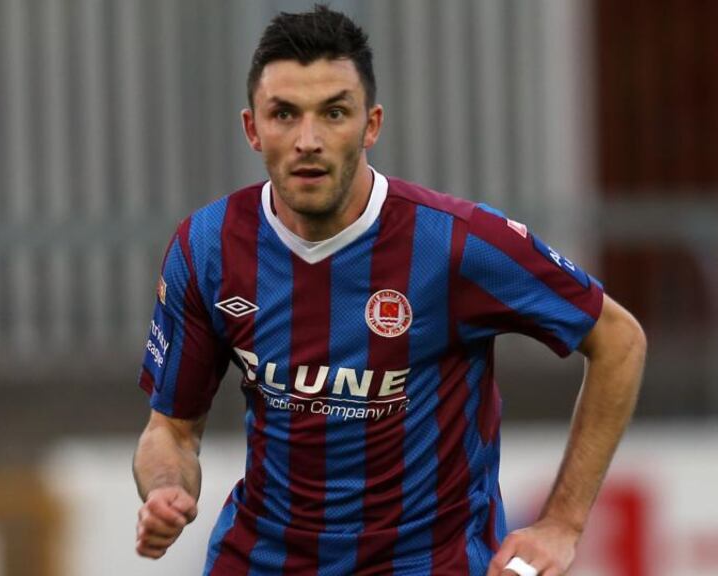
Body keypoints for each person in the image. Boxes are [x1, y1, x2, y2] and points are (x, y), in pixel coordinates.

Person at [133, 6, 646, 575]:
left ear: (371, 124)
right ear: (253, 128)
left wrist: (563, 524)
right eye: (285, 114)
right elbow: (171, 432)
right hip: (263, 560)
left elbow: (619, 340)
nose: (309, 140)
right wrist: (164, 490)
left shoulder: (457, 244)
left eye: (334, 113)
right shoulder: (209, 247)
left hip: (427, 562)